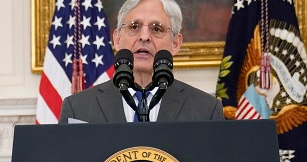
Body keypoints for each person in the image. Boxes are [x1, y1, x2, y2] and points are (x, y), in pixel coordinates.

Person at [58, 0, 224, 123]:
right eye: (134, 27)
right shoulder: (78, 109)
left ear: (175, 43)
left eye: (156, 28)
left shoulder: (206, 110)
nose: (144, 37)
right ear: (117, 39)